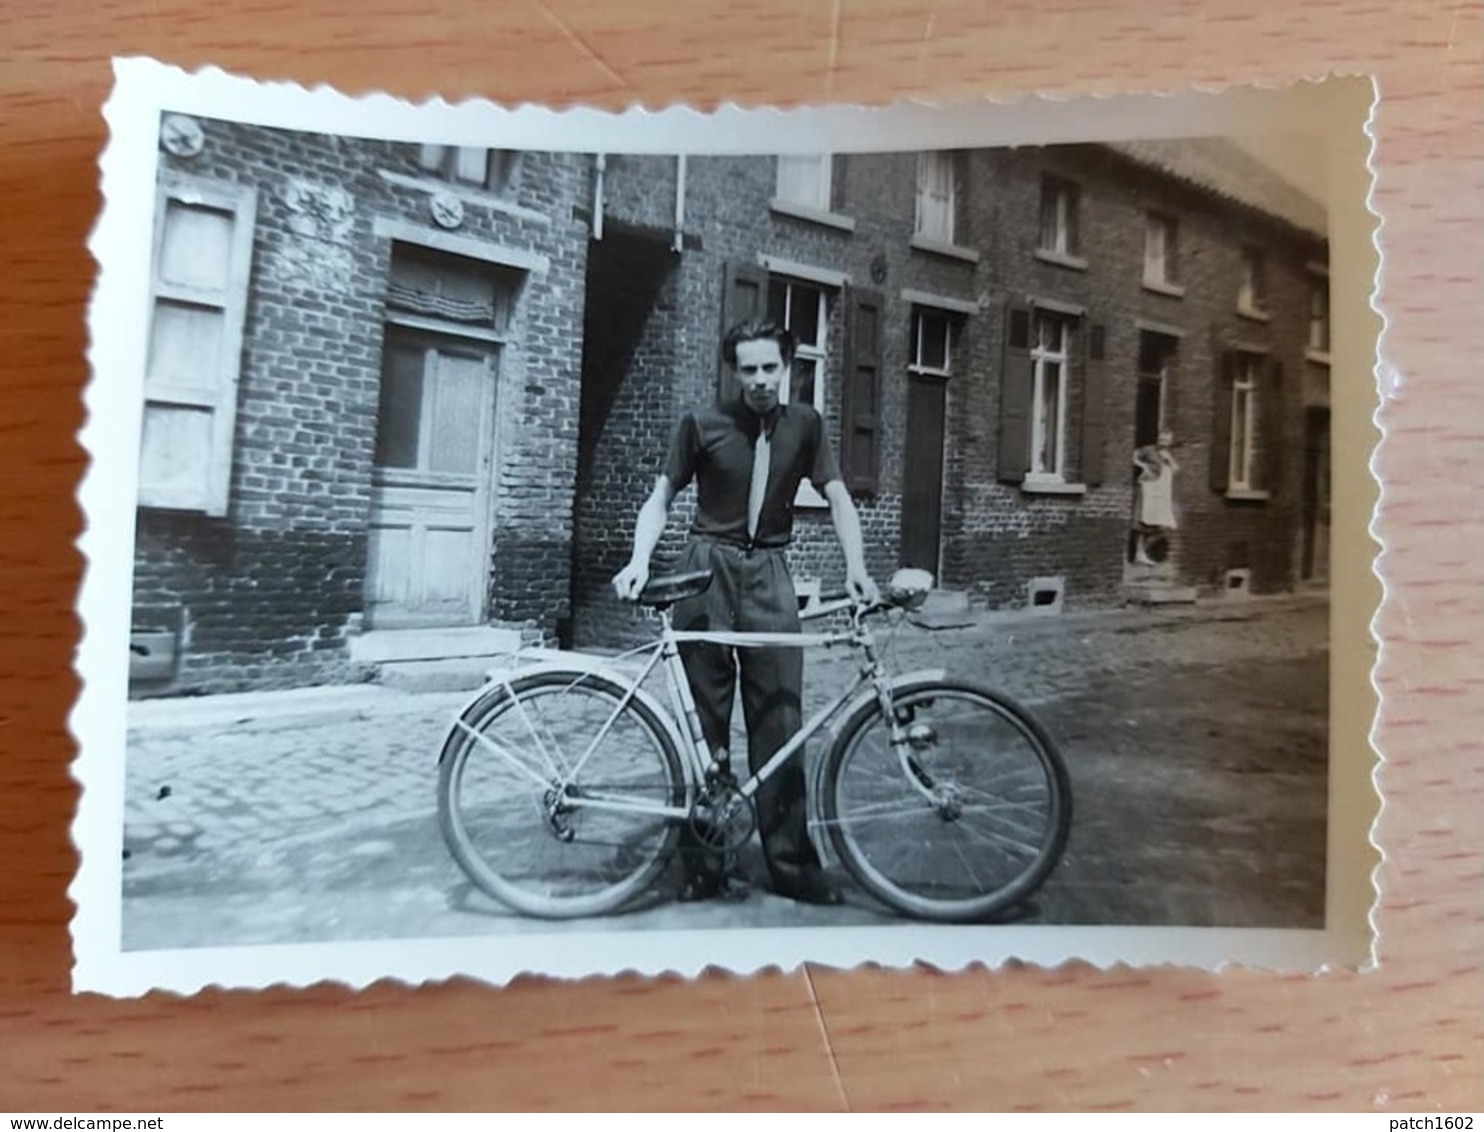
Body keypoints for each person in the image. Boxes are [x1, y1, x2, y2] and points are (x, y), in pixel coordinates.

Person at [611, 317, 880, 906]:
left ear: (788, 368)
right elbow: (661, 498)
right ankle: (703, 863)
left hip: (770, 576)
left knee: (779, 722)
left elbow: (836, 494)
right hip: (704, 574)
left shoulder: (806, 425)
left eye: (771, 369)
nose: (760, 381)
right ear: (734, 370)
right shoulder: (701, 424)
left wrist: (855, 566)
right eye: (748, 369)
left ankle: (790, 864)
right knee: (703, 727)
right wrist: (639, 559)